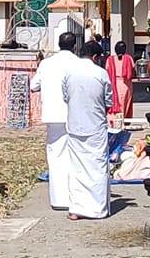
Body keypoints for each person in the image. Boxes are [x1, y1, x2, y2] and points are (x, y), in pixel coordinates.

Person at [62, 40, 113, 220]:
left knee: (76, 168)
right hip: (95, 127)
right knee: (98, 167)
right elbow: (108, 102)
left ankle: (75, 209)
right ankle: (97, 209)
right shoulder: (101, 74)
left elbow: (65, 97)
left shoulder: (69, 72)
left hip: (75, 126)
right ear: (96, 57)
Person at [30, 31, 80, 210]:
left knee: (56, 156)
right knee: (74, 156)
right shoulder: (78, 64)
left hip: (53, 115)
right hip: (74, 115)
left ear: (59, 44)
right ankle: (74, 196)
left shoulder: (47, 63)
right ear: (75, 45)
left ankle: (58, 199)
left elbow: (33, 86)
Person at [106, 41, 136, 124]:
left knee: (117, 103)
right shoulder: (128, 58)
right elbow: (133, 72)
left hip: (114, 83)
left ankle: (116, 122)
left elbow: (107, 71)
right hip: (126, 84)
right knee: (125, 104)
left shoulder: (110, 59)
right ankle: (122, 121)